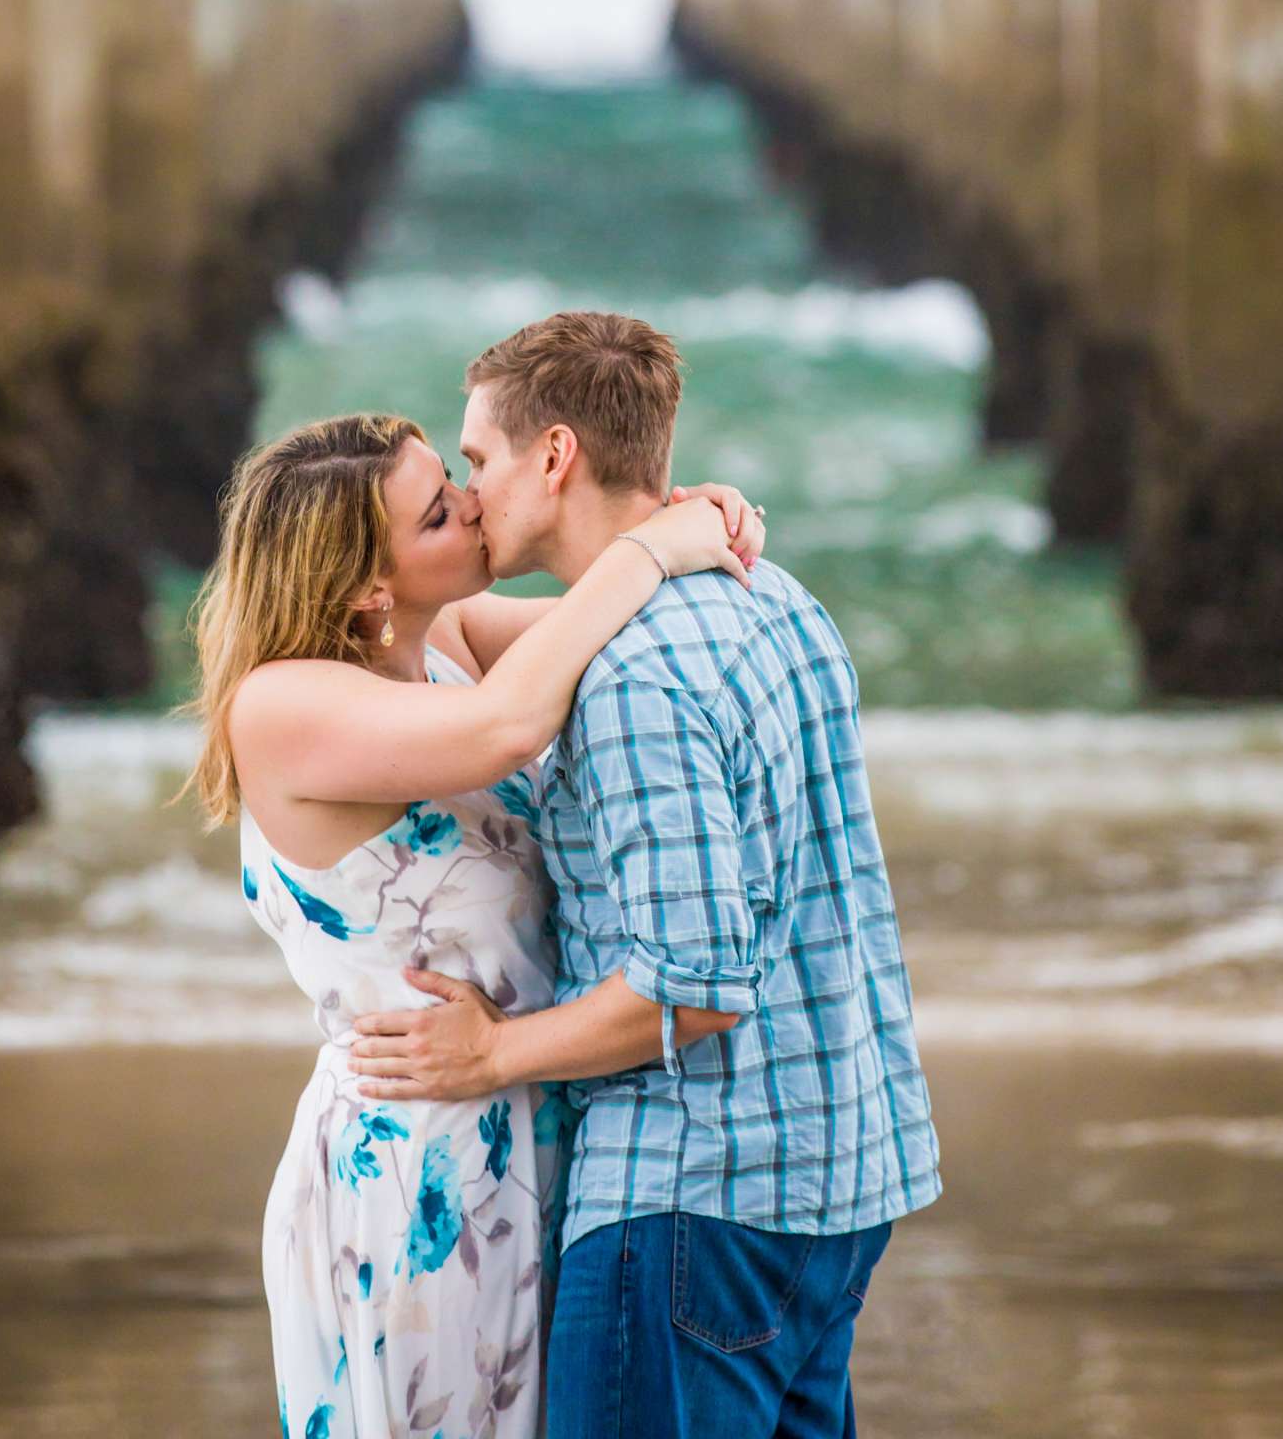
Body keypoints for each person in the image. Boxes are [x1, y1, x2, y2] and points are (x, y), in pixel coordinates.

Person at [351, 312, 942, 1439]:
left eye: (477, 462)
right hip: (843, 1178)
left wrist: (492, 1054)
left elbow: (697, 984)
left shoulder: (628, 681)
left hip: (692, 1201)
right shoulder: (779, 599)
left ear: (557, 455)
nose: (470, 497)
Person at [180, 408, 765, 1439]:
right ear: (369, 584)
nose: (474, 505)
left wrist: (692, 527)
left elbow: (627, 634)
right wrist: (645, 549)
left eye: (454, 477)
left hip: (525, 1106)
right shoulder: (281, 706)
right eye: (439, 512)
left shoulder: (440, 637)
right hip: (418, 1161)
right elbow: (512, 724)